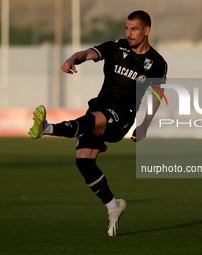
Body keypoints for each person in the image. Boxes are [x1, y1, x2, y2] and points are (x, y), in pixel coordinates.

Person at [28, 10, 167, 236]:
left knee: (90, 121)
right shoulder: (116, 47)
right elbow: (87, 53)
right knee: (84, 162)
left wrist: (145, 124)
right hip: (99, 107)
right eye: (127, 28)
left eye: (134, 29)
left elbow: (156, 95)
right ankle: (114, 206)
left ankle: (47, 128)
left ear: (146, 30)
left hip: (123, 116)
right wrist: (71, 59)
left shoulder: (157, 63)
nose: (129, 34)